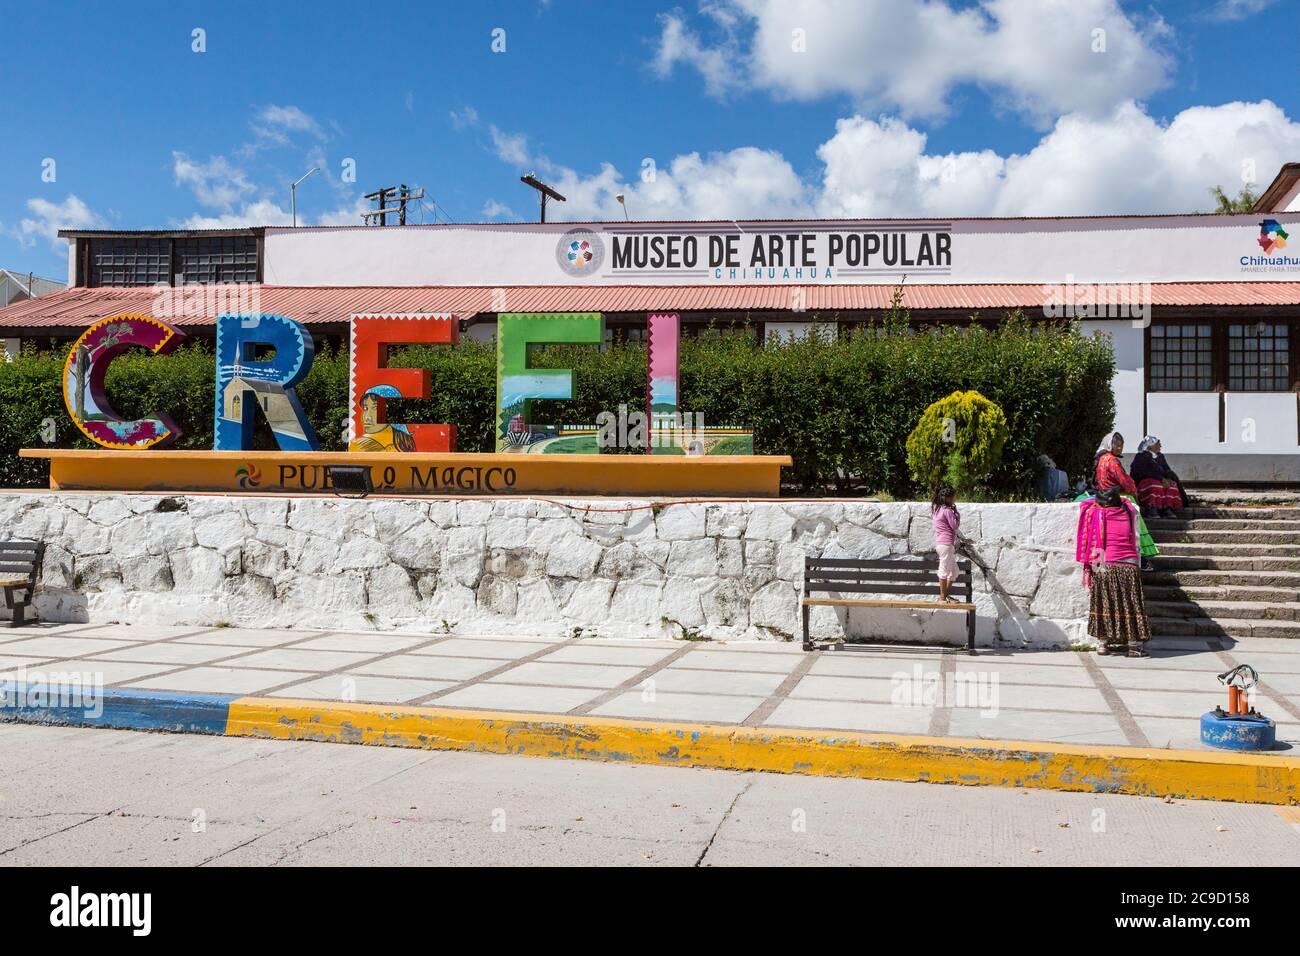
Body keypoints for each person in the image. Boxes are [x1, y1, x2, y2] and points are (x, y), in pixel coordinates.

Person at [1076, 487, 1152, 657]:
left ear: (1105, 504)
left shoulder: (1097, 514)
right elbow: (1126, 501)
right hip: (1130, 565)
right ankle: (1134, 646)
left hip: (1106, 565)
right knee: (1131, 604)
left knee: (1104, 602)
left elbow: (1085, 504)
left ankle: (1102, 644)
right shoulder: (1129, 511)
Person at [1089, 431, 1159, 571]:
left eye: (1121, 446)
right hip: (1118, 499)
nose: (1120, 449)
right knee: (1135, 529)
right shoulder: (1112, 460)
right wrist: (1135, 494)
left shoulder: (1101, 459)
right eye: (1117, 445)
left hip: (1103, 499)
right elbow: (1126, 482)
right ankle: (1142, 559)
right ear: (1110, 445)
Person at [1130, 436, 1185, 518]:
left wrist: (1169, 479)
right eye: (1158, 444)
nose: (1160, 446)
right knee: (1154, 485)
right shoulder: (1141, 457)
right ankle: (1151, 508)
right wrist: (1161, 479)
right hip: (1144, 483)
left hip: (1161, 481)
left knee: (1171, 485)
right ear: (1151, 446)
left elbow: (1166, 470)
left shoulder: (1160, 457)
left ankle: (1167, 508)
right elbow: (1142, 472)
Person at [931, 483, 961, 603]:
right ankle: (942, 598)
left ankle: (946, 595)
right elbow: (955, 526)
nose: (955, 499)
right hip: (947, 544)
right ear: (948, 498)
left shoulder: (936, 508)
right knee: (943, 570)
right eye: (953, 497)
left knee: (954, 571)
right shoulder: (947, 511)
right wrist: (956, 513)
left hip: (942, 544)